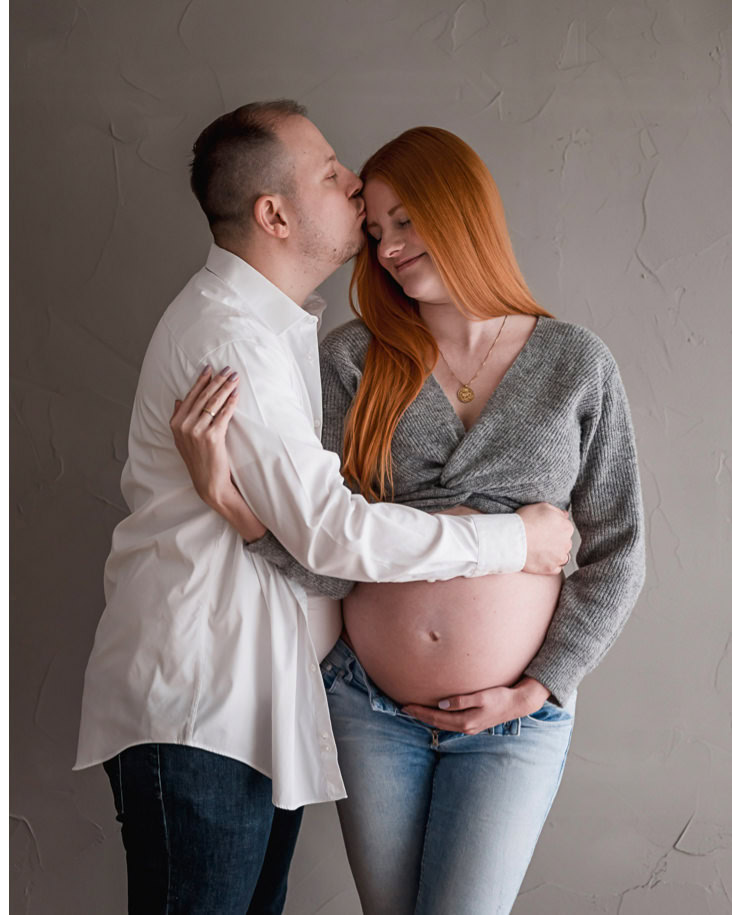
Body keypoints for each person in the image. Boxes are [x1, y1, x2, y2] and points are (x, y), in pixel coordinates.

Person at [73, 100, 575, 914]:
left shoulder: (283, 337)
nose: (354, 189)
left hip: (261, 700)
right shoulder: (234, 339)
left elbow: (307, 540)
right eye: (333, 174)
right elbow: (332, 530)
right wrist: (511, 542)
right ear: (273, 213)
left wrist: (238, 511)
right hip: (207, 701)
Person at [171, 125, 645, 913]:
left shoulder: (575, 362)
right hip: (369, 709)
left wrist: (543, 685)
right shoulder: (353, 359)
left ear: (463, 212)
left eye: (407, 221)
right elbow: (326, 548)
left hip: (512, 721)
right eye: (377, 229)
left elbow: (619, 547)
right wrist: (231, 504)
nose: (388, 247)